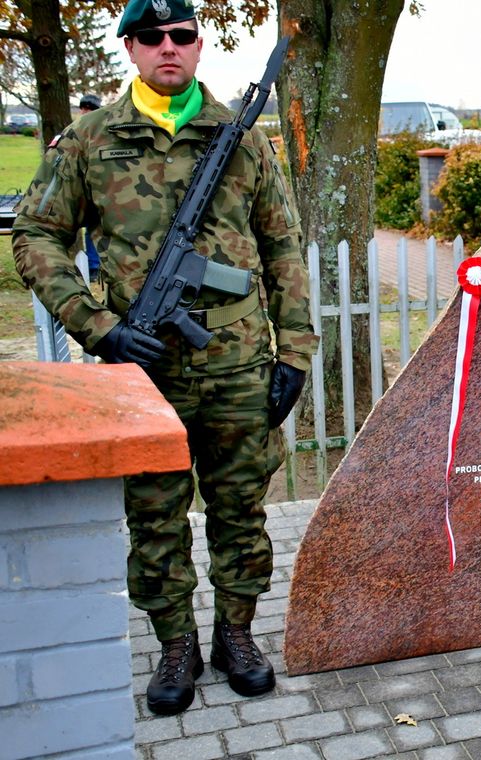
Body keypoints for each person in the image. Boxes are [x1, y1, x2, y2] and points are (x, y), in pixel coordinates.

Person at [12, 0, 318, 716]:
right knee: (155, 518)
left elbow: (283, 249)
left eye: (181, 35)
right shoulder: (89, 139)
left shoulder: (241, 140)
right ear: (130, 48)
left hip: (238, 363)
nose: (167, 47)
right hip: (140, 374)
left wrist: (294, 352)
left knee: (241, 511)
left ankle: (236, 636)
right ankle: (175, 644)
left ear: (199, 45)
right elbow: (34, 235)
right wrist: (99, 327)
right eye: (150, 37)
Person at [78, 94, 103, 282]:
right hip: (80, 191)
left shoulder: (102, 133)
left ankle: (94, 267)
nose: (85, 112)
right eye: (83, 108)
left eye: (89, 109)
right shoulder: (76, 131)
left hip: (98, 190)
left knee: (95, 228)